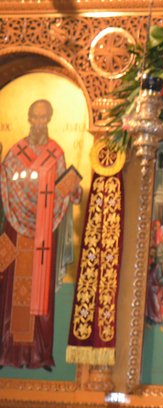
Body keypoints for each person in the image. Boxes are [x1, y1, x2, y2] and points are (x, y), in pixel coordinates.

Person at [0, 99, 80, 369]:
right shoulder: (16, 152)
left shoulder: (55, 153)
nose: (39, 122)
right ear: (28, 118)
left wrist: (74, 190)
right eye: (35, 117)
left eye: (44, 117)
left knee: (41, 290)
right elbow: (4, 180)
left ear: (49, 119)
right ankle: (7, 351)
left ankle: (40, 353)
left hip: (45, 230)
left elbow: (62, 190)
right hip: (16, 227)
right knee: (11, 288)